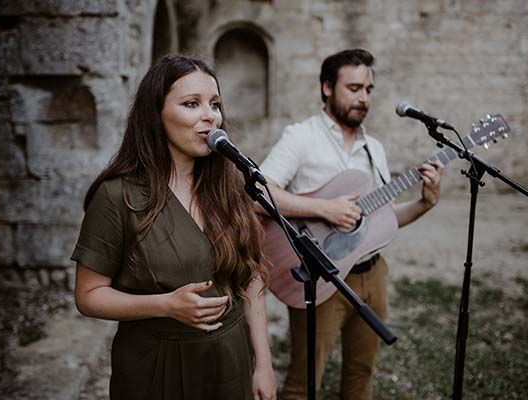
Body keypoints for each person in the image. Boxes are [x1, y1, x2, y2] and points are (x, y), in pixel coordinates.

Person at [72, 54, 277, 400]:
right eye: (191, 104)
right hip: (157, 366)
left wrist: (264, 364)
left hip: (230, 360)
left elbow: (251, 275)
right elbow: (88, 296)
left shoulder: (228, 185)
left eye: (214, 104)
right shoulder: (116, 196)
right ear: (156, 114)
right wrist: (166, 305)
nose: (209, 115)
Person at [259, 48, 444, 399]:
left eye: (368, 90)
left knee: (361, 376)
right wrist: (324, 209)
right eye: (354, 88)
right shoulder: (301, 137)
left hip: (372, 276)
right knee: (303, 383)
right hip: (317, 277)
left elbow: (381, 221)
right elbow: (257, 193)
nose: (363, 98)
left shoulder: (374, 148)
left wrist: (424, 202)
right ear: (327, 87)